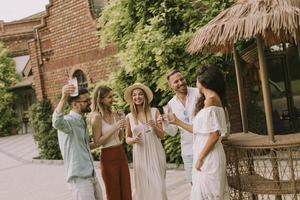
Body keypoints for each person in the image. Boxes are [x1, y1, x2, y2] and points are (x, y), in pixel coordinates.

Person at [169, 65, 230, 199]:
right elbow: (198, 130)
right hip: (203, 153)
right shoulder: (208, 99)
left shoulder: (211, 100)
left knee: (209, 194)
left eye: (197, 80)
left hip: (208, 155)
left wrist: (200, 158)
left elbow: (215, 135)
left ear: (203, 82)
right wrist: (176, 121)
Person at [52, 83, 103, 200]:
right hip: (80, 178)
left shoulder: (81, 121)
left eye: (89, 99)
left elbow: (83, 146)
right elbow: (56, 122)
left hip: (90, 174)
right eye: (86, 100)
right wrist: (64, 96)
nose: (90, 102)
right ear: (75, 104)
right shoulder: (68, 121)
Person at [124, 83, 168, 200]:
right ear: (132, 98)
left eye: (140, 94)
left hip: (156, 152)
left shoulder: (155, 111)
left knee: (159, 187)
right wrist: (133, 140)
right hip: (140, 155)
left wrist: (154, 126)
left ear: (145, 97)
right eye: (134, 95)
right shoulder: (129, 116)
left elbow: (162, 135)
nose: (137, 97)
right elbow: (127, 138)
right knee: (143, 188)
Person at [89, 85, 132, 200]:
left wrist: (122, 124)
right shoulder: (96, 118)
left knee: (126, 190)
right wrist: (114, 127)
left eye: (112, 96)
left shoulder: (114, 114)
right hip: (108, 156)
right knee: (113, 193)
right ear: (101, 100)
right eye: (109, 97)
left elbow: (121, 138)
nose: (112, 99)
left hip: (121, 153)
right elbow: (97, 143)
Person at [162, 69, 199, 183]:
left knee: (207, 184)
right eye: (176, 81)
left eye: (182, 79)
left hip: (203, 146)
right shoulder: (170, 105)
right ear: (171, 86)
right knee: (193, 184)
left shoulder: (198, 93)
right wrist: (164, 122)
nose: (181, 83)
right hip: (187, 151)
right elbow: (173, 132)